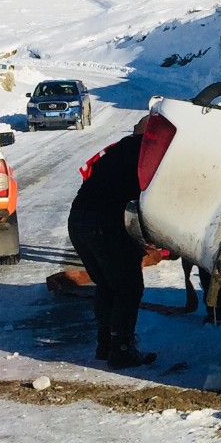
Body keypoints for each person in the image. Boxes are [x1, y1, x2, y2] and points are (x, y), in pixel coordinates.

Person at [67, 120, 158, 368]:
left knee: (107, 284)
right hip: (103, 224)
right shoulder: (147, 153)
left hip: (78, 221)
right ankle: (121, 350)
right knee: (129, 287)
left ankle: (105, 343)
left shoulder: (119, 148)